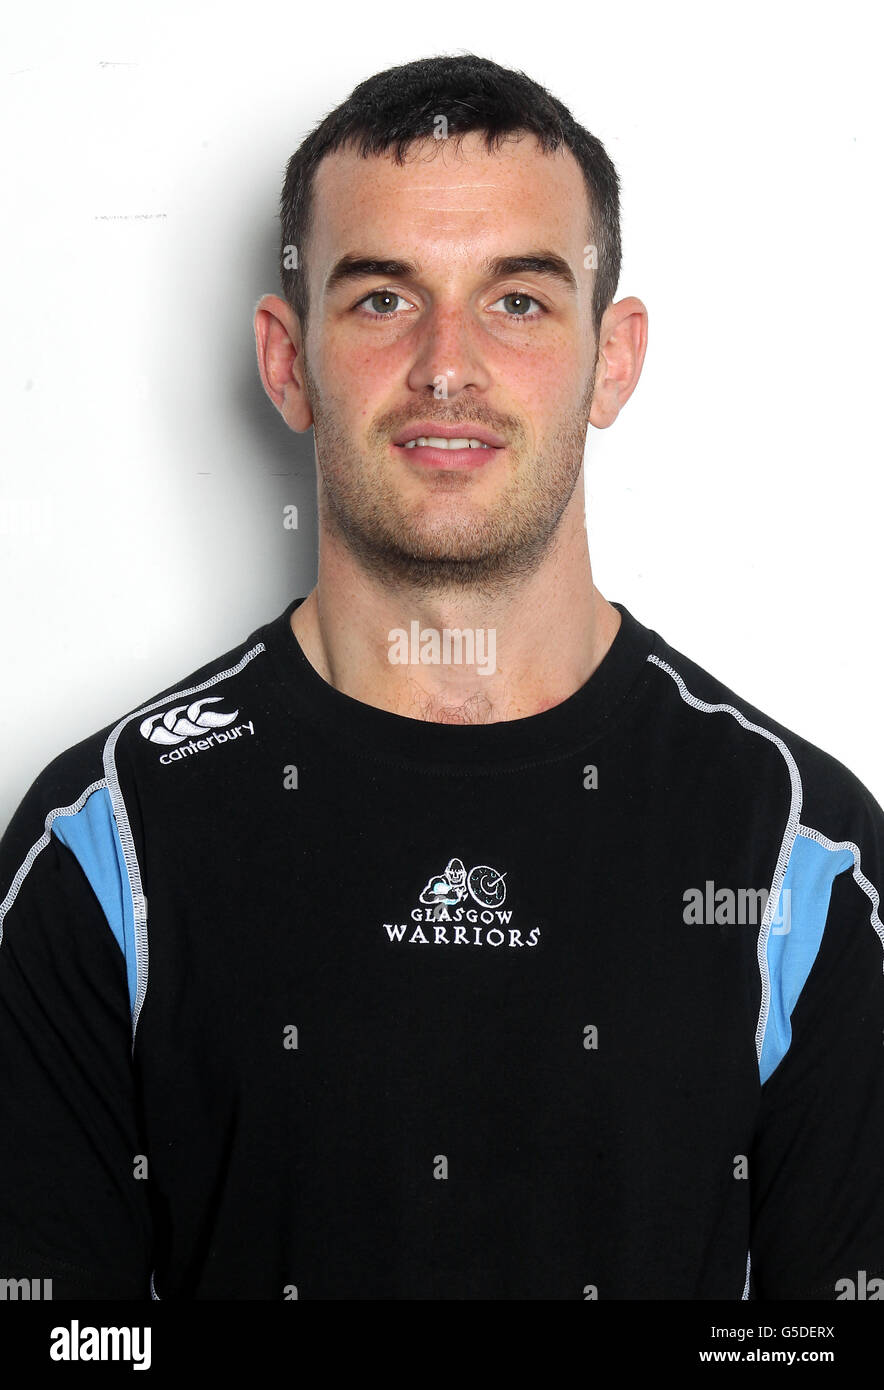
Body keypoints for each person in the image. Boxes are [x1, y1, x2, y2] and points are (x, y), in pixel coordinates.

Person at [1, 53, 882, 1302]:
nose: (445, 366)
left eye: (517, 301)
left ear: (613, 356)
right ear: (286, 358)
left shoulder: (799, 852)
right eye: (379, 300)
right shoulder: (106, 844)